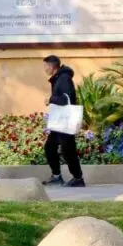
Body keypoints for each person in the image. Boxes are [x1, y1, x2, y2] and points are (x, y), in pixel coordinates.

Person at [41, 55, 84, 187]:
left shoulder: (64, 78)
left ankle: (78, 178)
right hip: (59, 121)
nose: (44, 69)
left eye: (45, 66)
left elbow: (67, 99)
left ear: (51, 66)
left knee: (68, 150)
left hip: (66, 121)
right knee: (50, 147)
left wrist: (51, 99)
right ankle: (56, 176)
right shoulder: (58, 78)